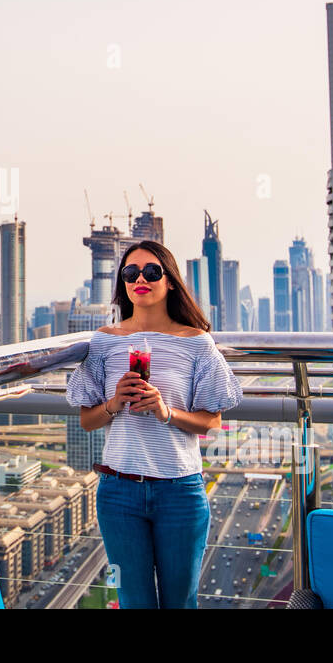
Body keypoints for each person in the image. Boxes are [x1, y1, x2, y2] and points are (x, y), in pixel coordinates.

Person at [65, 239, 242, 608]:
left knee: (180, 601)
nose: (139, 279)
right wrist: (114, 403)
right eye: (130, 273)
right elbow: (87, 420)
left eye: (151, 271)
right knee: (134, 601)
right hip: (118, 492)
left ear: (170, 281)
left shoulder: (197, 343)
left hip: (180, 492)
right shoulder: (103, 342)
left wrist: (166, 411)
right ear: (122, 283)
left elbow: (212, 421)